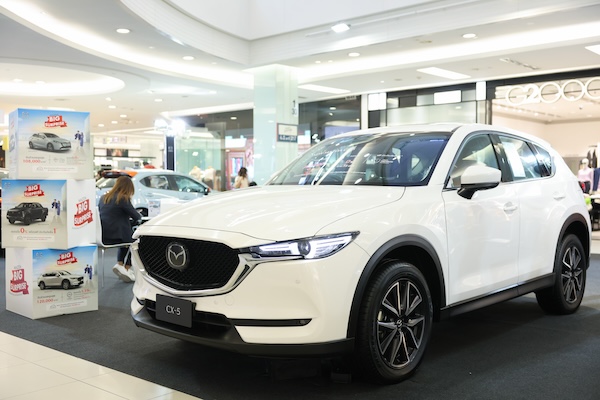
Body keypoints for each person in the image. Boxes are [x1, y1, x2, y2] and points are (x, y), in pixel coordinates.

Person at [98, 175, 142, 283]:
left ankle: (120, 265)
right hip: (117, 236)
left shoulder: (103, 198)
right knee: (138, 242)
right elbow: (137, 217)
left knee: (126, 239)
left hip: (103, 236)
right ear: (128, 188)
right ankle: (126, 268)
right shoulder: (123, 198)